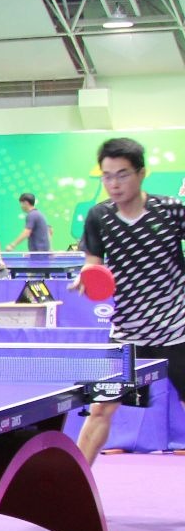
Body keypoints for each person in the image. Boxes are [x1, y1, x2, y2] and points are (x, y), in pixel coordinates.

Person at [74, 136, 185, 462]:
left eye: (122, 174)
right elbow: (93, 263)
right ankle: (73, 483)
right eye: (107, 176)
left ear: (141, 173)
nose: (114, 184)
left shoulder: (171, 211)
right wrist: (86, 277)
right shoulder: (99, 216)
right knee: (100, 409)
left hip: (177, 330)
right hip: (127, 334)